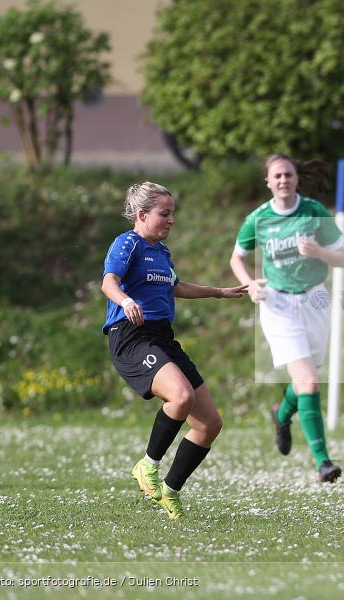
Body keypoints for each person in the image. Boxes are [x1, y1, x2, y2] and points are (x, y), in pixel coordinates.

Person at [101, 182, 247, 520]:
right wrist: (125, 300)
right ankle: (147, 466)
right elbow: (109, 281)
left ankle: (170, 490)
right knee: (180, 397)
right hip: (132, 336)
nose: (171, 221)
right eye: (164, 214)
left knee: (210, 424)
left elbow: (176, 286)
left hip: (163, 337)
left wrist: (218, 292)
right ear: (142, 215)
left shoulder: (161, 252)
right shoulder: (128, 243)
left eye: (172, 214)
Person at [229, 154, 344, 483]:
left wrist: (320, 253)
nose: (283, 180)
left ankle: (281, 415)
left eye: (289, 174)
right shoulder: (258, 219)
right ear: (268, 181)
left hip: (316, 300)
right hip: (278, 306)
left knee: (305, 382)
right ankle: (323, 461)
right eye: (277, 175)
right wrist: (250, 283)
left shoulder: (314, 212)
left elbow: (343, 257)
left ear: (297, 178)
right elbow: (237, 257)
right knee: (308, 382)